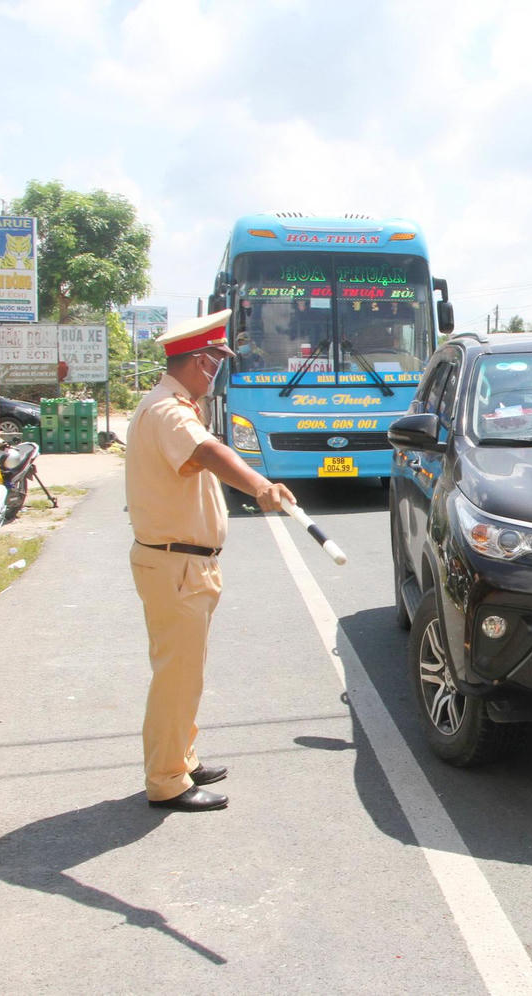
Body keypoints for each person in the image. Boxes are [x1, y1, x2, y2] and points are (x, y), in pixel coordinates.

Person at [126, 309, 296, 812]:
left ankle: (182, 757)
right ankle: (167, 779)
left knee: (187, 673)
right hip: (175, 565)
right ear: (201, 362)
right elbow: (208, 453)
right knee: (176, 676)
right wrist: (261, 486)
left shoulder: (170, 404)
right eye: (216, 363)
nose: (216, 373)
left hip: (184, 564)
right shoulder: (169, 411)